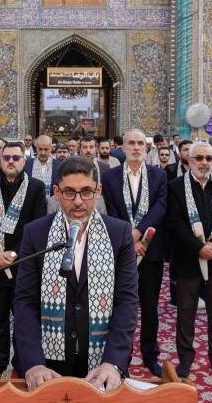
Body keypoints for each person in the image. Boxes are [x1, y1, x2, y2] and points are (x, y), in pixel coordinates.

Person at [13, 156, 137, 390]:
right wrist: (34, 363)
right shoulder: (36, 233)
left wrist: (113, 362)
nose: (78, 201)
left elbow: (126, 301)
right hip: (48, 363)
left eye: (86, 192)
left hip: (102, 362)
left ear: (98, 191)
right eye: (69, 192)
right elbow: (25, 301)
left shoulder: (119, 233)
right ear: (56, 192)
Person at [167, 141, 212, 380]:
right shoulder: (176, 187)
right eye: (199, 158)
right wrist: (199, 248)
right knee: (186, 313)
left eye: (208, 158)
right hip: (188, 261)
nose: (204, 163)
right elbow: (175, 223)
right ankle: (185, 359)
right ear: (189, 160)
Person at [0, 141, 46, 378]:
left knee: (24, 318)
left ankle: (22, 362)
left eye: (16, 158)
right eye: (7, 158)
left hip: (24, 266)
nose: (11, 162)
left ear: (24, 161)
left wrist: (15, 253)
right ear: (0, 161)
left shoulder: (35, 188)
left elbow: (38, 226)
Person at [101, 129, 169, 377]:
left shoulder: (158, 175)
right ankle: (122, 357)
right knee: (121, 306)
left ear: (147, 148)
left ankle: (150, 355)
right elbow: (110, 210)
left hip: (150, 250)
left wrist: (139, 232)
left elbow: (161, 206)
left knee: (150, 307)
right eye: (132, 143)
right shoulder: (110, 177)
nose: (137, 147)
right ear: (123, 147)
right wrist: (128, 236)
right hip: (121, 250)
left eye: (141, 143)